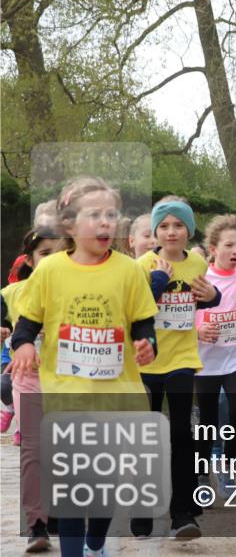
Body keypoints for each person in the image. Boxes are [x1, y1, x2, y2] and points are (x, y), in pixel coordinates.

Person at [8, 177, 159, 556]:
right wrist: (24, 345)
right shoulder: (50, 270)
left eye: (112, 214)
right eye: (95, 215)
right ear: (69, 225)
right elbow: (27, 324)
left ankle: (95, 543)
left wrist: (147, 344)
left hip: (115, 394)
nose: (106, 222)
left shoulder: (128, 270)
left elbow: (142, 321)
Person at [134, 196, 222, 540]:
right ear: (156, 231)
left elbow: (206, 297)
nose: (171, 232)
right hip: (146, 361)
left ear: (189, 230)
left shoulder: (198, 265)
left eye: (179, 225)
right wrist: (156, 281)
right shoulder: (142, 264)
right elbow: (134, 310)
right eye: (165, 226)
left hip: (183, 359)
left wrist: (212, 296)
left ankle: (183, 514)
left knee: (181, 433)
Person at [1, 226, 64, 552]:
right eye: (44, 254)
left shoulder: (78, 291)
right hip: (29, 382)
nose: (53, 260)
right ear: (29, 259)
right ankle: (35, 524)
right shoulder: (12, 295)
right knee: (33, 452)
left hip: (70, 382)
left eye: (60, 252)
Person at [194, 215, 236, 496]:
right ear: (213, 249)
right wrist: (199, 329)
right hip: (206, 360)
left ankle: (227, 464)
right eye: (229, 245)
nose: (235, 252)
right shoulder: (201, 279)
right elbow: (187, 315)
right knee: (208, 420)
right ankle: (201, 475)